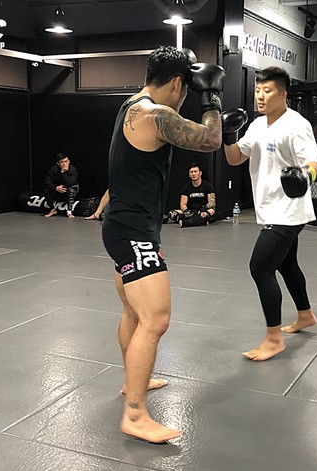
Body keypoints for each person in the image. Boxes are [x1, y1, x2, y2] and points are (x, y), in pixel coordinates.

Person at [101, 46, 223, 443]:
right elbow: (210, 139)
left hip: (124, 226)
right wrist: (213, 98)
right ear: (176, 84)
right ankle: (135, 415)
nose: (184, 97)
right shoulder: (154, 115)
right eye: (187, 90)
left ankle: (132, 382)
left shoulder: (130, 106)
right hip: (134, 232)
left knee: (134, 313)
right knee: (156, 319)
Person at [222, 66, 317, 361]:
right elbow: (236, 158)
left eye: (267, 91)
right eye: (257, 91)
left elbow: (313, 162)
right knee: (287, 265)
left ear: (283, 93)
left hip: (289, 209)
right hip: (270, 208)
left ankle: (274, 339)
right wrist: (227, 135)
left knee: (260, 267)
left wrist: (305, 177)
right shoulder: (256, 125)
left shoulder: (296, 124)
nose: (260, 96)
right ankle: (305, 315)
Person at [169, 162, 217, 227]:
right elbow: (182, 204)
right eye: (191, 172)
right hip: (191, 211)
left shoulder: (208, 186)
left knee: (210, 212)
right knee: (173, 214)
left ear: (200, 173)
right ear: (189, 174)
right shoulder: (186, 188)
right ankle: (199, 221)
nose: (193, 174)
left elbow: (212, 204)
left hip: (204, 210)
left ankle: (187, 223)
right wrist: (186, 211)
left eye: (195, 171)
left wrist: (203, 209)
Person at [44, 153, 79, 218]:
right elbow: (47, 181)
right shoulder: (53, 169)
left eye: (66, 161)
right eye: (62, 162)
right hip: (58, 190)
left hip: (70, 190)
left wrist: (63, 173)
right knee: (47, 190)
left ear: (69, 161)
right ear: (58, 163)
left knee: (70, 190)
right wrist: (55, 187)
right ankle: (52, 209)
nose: (64, 164)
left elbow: (69, 183)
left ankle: (69, 211)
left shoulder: (73, 170)